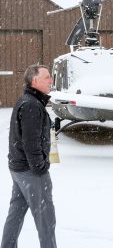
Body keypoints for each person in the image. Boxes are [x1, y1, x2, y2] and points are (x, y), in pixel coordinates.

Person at [1, 64, 57, 248]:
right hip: (31, 172)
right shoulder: (32, 105)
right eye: (47, 76)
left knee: (16, 213)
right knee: (46, 221)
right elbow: (30, 142)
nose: (51, 80)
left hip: (19, 169)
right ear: (35, 81)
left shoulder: (27, 100)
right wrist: (40, 168)